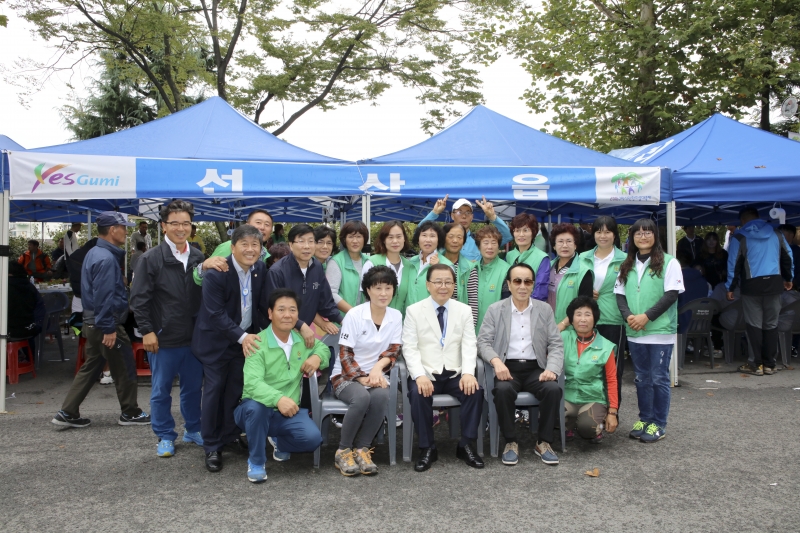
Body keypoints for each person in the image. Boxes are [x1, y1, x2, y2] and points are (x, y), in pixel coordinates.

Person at [52, 212, 150, 429]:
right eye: (123, 228)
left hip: (92, 323)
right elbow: (104, 297)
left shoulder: (95, 253)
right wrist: (108, 328)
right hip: (106, 324)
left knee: (91, 366)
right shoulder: (105, 258)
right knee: (124, 367)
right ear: (113, 230)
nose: (126, 232)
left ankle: (67, 412)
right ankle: (130, 412)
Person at [192, 224, 272, 472]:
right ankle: (212, 446)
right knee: (214, 391)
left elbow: (262, 305)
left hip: (243, 343)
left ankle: (229, 435)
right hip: (216, 343)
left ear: (261, 248)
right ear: (233, 247)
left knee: (235, 390)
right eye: (244, 244)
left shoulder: (259, 268)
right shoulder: (217, 271)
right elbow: (215, 314)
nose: (250, 250)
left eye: (255, 245)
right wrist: (243, 337)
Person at [130, 200, 206, 458]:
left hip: (193, 338)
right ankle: (164, 435)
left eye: (186, 223)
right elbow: (138, 299)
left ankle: (193, 429)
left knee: (193, 389)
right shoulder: (150, 259)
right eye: (175, 223)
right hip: (163, 338)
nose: (181, 228)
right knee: (161, 390)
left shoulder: (197, 257)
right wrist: (147, 330)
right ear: (164, 226)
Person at [233, 289, 330, 483]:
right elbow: (252, 384)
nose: (287, 315)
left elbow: (324, 348)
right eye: (281, 310)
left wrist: (317, 357)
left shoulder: (302, 340)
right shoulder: (257, 343)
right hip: (255, 410)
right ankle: (257, 461)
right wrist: (278, 398)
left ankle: (279, 441)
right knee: (255, 408)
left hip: (287, 412)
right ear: (270, 313)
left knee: (312, 440)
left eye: (292, 310)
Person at [477, 263, 564, 466]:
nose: (522, 286)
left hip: (536, 367)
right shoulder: (495, 310)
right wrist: (496, 361)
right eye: (517, 281)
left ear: (533, 285)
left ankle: (543, 442)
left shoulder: (544, 309)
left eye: (528, 281)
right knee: (503, 390)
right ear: (509, 284)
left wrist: (551, 368)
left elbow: (556, 343)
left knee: (552, 389)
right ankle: (510, 441)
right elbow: (482, 342)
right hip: (507, 367)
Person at [402, 263, 484, 471]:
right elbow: (409, 347)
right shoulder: (413, 311)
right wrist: (419, 375)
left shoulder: (463, 311)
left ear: (454, 285)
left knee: (474, 391)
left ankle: (465, 444)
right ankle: (427, 447)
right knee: (417, 394)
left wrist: (468, 373)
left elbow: (469, 344)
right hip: (427, 372)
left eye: (448, 282)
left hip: (454, 372)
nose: (443, 286)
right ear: (428, 285)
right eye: (438, 282)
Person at [615, 218, 684, 443]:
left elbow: (671, 294)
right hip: (635, 331)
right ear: (632, 238)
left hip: (660, 331)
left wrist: (647, 316)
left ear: (655, 236)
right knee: (641, 378)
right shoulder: (626, 264)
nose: (643, 237)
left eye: (648, 233)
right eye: (638, 233)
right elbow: (620, 295)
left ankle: (659, 424)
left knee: (658, 378)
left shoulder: (669, 262)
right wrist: (629, 317)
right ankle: (645, 419)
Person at [330, 266, 401, 476]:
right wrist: (361, 378)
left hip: (375, 376)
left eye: (388, 288)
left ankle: (362, 449)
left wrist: (378, 369)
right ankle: (342, 450)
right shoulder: (354, 314)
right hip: (345, 375)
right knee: (361, 398)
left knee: (381, 396)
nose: (383, 293)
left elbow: (394, 350)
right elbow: (344, 354)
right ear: (367, 290)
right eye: (377, 288)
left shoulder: (396, 316)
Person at [727, 207, 793, 376]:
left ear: (743, 221)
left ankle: (756, 364)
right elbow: (788, 256)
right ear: (759, 217)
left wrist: (730, 287)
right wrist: (788, 278)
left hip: (751, 286)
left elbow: (734, 265)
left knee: (754, 325)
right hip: (774, 284)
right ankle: (770, 364)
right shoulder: (776, 234)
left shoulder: (740, 237)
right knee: (771, 324)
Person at [578, 215, 627, 404]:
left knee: (613, 369)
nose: (603, 236)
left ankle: (611, 412)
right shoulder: (583, 257)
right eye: (599, 231)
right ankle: (588, 413)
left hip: (613, 319)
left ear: (615, 235)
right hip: (586, 320)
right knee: (588, 367)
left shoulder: (625, 259)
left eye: (607, 231)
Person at [266, 223, 341, 347]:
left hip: (303, 336)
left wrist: (343, 320)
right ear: (290, 245)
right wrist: (300, 325)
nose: (306, 246)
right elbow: (276, 309)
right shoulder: (277, 271)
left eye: (311, 241)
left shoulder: (317, 267)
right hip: (281, 336)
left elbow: (326, 303)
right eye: (301, 241)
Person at [561, 296, 618, 444]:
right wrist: (562, 324)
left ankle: (589, 425)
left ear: (595, 319)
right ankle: (569, 425)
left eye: (588, 314)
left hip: (593, 399)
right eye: (578, 314)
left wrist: (612, 412)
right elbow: (543, 339)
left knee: (587, 428)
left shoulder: (606, 346)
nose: (583, 319)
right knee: (548, 416)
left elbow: (612, 380)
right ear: (571, 319)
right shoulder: (563, 338)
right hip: (567, 396)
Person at [193, 209, 274, 285]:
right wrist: (204, 267)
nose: (262, 227)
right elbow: (201, 278)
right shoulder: (228, 246)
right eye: (258, 222)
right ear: (247, 225)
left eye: (267, 224)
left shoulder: (265, 253)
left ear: (271, 231)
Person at [420, 195, 512, 261]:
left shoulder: (479, 240)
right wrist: (434, 212)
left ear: (472, 217)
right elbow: (419, 233)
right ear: (452, 216)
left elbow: (508, 236)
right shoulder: (442, 238)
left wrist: (492, 217)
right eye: (459, 212)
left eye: (468, 213)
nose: (464, 216)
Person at [361, 221, 414, 317]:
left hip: (399, 323)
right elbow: (364, 297)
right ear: (384, 240)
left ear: (404, 239)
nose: (395, 241)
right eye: (390, 237)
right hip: (374, 321)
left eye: (399, 237)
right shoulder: (372, 263)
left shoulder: (408, 265)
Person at [549, 224, 593, 331]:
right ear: (554, 246)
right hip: (547, 326)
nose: (565, 245)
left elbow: (584, 305)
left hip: (571, 330)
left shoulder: (584, 271)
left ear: (575, 245)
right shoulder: (548, 267)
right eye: (560, 241)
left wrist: (563, 324)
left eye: (569, 241)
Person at [467, 225, 510, 332]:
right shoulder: (472, 269)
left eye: (494, 243)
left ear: (498, 246)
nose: (489, 247)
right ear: (478, 246)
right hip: (471, 331)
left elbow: (508, 305)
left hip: (496, 332)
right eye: (485, 243)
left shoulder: (507, 271)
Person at [406, 221, 454, 306]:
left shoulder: (446, 266)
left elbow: (448, 296)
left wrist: (437, 269)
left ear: (438, 240)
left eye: (432, 236)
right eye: (424, 235)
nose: (428, 240)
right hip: (410, 315)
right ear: (418, 239)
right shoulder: (412, 262)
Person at [328, 221, 370, 314]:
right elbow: (331, 293)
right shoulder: (336, 261)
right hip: (342, 320)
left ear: (364, 239)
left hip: (365, 318)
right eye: (350, 236)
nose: (355, 241)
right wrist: (354, 313)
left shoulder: (369, 261)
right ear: (344, 239)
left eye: (359, 236)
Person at [505, 213, 549, 302]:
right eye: (517, 230)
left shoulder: (542, 258)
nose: (521, 235)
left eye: (525, 230)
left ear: (533, 233)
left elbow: (540, 291)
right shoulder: (509, 255)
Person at [8, 262, 46, 355]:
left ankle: (13, 358)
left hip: (10, 331)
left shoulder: (5, 287)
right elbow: (40, 308)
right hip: (31, 329)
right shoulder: (30, 287)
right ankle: (30, 358)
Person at [440, 222, 477, 306]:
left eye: (459, 237)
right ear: (443, 239)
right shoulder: (434, 263)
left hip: (459, 317)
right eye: (451, 236)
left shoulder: (469, 268)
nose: (455, 241)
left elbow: (473, 300)